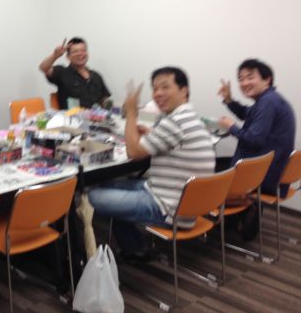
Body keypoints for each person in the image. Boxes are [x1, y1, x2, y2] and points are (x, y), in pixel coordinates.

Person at [89, 67, 215, 260]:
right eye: (155, 88)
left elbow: (133, 152)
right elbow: (173, 140)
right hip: (181, 199)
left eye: (165, 87)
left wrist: (131, 113)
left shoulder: (174, 122)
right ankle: (135, 247)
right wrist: (152, 135)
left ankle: (135, 248)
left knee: (94, 195)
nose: (158, 93)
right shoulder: (188, 117)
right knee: (107, 185)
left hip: (168, 208)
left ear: (184, 91)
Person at [218, 59, 296, 195]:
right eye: (241, 79)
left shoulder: (268, 102)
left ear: (267, 80)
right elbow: (246, 113)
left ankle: (229, 207)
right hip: (272, 173)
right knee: (219, 164)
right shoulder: (270, 99)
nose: (244, 83)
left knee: (208, 169)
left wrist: (232, 127)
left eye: (250, 77)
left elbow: (254, 140)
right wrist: (229, 100)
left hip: (263, 177)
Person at [39, 37, 111, 109]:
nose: (80, 54)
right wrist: (55, 55)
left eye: (83, 50)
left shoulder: (96, 75)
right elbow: (43, 68)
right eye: (75, 51)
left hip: (97, 115)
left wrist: (109, 107)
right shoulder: (62, 72)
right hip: (72, 115)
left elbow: (105, 98)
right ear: (68, 56)